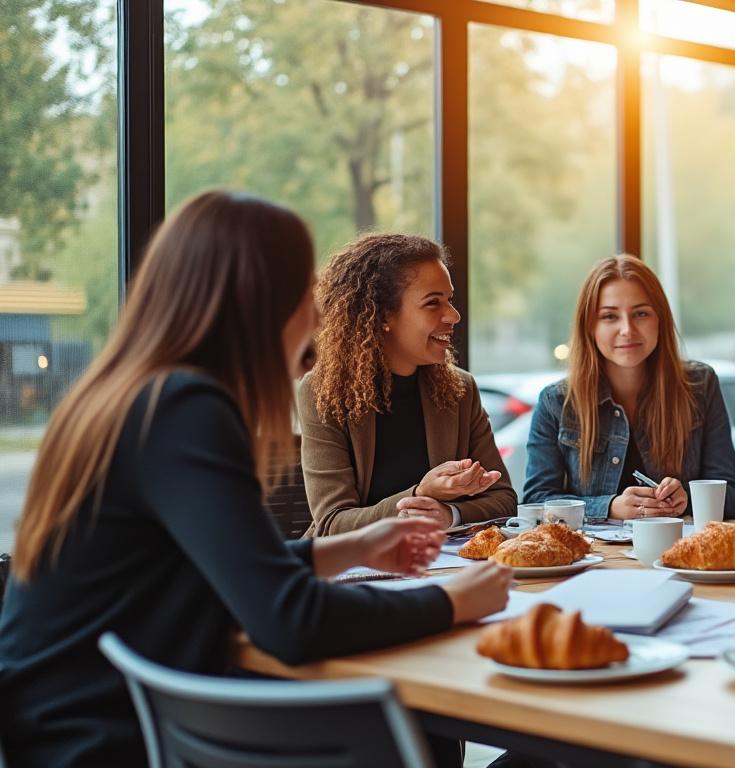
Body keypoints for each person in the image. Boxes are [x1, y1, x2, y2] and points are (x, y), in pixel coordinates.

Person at [0, 191, 512, 767]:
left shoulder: (129, 394)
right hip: (104, 741)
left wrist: (351, 549)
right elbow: (289, 620)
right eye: (302, 293)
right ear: (256, 300)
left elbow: (203, 570)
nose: (318, 317)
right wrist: (449, 601)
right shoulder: (184, 409)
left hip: (79, 724)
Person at [298, 233, 516, 536]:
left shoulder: (460, 390)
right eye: (433, 303)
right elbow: (333, 523)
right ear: (383, 315)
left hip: (440, 566)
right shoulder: (322, 392)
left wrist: (448, 514)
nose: (453, 315)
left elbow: (504, 499)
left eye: (449, 300)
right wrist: (418, 496)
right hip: (354, 571)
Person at [524, 254, 735, 521]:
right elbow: (536, 501)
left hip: (679, 553)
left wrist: (687, 498)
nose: (627, 329)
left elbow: (730, 494)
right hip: (594, 558)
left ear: (659, 318)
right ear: (589, 326)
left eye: (640, 314)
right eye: (609, 316)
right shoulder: (556, 402)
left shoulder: (700, 385)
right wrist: (610, 507)